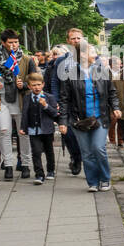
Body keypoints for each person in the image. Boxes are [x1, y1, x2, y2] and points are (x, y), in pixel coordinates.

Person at [59, 41, 121, 192]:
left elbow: (112, 92)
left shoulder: (102, 71)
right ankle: (93, 182)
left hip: (100, 117)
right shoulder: (70, 74)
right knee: (86, 153)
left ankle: (105, 179)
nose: (96, 53)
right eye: (92, 50)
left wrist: (116, 107)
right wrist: (63, 121)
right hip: (80, 120)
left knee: (98, 148)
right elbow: (64, 99)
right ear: (83, 54)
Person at [0, 29, 35, 179]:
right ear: (3, 43)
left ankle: (25, 164)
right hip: (2, 101)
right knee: (4, 132)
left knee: (23, 134)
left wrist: (23, 84)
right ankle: (8, 165)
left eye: (16, 42)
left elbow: (35, 80)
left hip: (20, 101)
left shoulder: (26, 59)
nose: (14, 45)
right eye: (10, 42)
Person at [45, 32, 84, 175]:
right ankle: (76, 157)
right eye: (73, 38)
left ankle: (85, 156)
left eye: (78, 38)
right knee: (68, 132)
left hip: (84, 101)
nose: (76, 40)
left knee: (84, 131)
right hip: (65, 101)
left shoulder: (90, 58)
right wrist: (55, 100)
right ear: (68, 41)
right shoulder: (61, 61)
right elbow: (54, 81)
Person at [19, 72, 62, 184]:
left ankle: (51, 170)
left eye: (38, 84)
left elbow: (55, 114)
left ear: (43, 84)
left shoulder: (49, 97)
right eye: (33, 85)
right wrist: (23, 127)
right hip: (33, 129)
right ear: (29, 86)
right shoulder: (27, 98)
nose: (36, 87)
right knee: (36, 152)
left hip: (47, 129)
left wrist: (45, 106)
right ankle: (39, 174)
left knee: (49, 150)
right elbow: (25, 113)